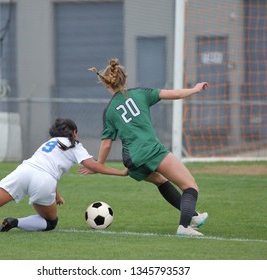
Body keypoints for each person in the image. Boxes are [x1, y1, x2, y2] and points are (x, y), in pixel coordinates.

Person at [0, 118, 128, 235]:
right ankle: (15, 222)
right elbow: (92, 165)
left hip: (23, 171)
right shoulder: (74, 144)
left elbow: (46, 165)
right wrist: (121, 172)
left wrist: (56, 194)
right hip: (43, 181)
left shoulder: (49, 143)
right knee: (50, 222)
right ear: (74, 133)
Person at [81, 58, 209, 236]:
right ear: (125, 79)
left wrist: (99, 164)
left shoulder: (109, 110)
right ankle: (184, 227)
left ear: (106, 84)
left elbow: (107, 143)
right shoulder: (140, 93)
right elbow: (175, 94)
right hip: (151, 150)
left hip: (132, 160)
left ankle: (194, 216)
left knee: (160, 180)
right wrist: (195, 89)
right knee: (190, 186)